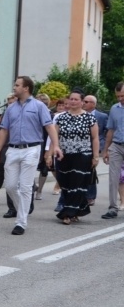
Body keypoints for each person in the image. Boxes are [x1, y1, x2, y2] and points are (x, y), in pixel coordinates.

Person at [0, 76, 62, 235]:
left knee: (24, 186)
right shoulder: (10, 108)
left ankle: (21, 222)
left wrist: (55, 146)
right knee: (9, 186)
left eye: (17, 85)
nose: (14, 87)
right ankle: (23, 208)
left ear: (26, 88)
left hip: (32, 148)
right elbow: (3, 130)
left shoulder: (38, 106)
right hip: (13, 149)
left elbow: (49, 127)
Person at [53, 90, 98, 224]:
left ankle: (68, 213)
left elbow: (95, 138)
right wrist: (50, 154)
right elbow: (55, 137)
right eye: (71, 99)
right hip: (64, 155)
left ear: (82, 102)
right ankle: (79, 209)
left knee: (77, 183)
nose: (72, 102)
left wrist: (95, 156)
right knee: (65, 183)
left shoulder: (89, 118)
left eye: (76, 99)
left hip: (83, 155)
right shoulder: (61, 117)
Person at [101, 83, 124, 219]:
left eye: (123, 96)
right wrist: (106, 150)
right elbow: (110, 130)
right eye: (118, 96)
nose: (120, 99)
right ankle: (112, 208)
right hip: (116, 145)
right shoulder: (114, 109)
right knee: (113, 177)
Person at [82, 94, 107, 206]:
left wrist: (104, 147)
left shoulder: (102, 116)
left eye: (86, 102)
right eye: (83, 101)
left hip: (95, 146)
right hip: (82, 146)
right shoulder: (80, 115)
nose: (84, 103)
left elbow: (107, 131)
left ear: (93, 104)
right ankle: (82, 194)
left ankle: (91, 196)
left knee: (91, 171)